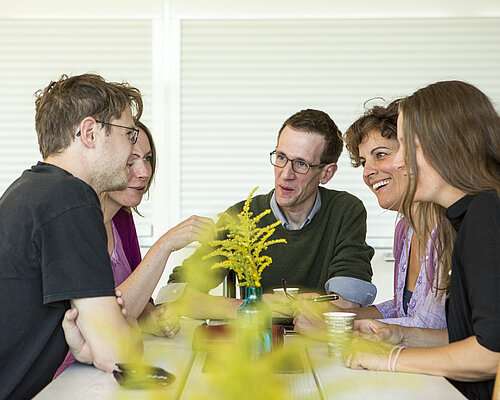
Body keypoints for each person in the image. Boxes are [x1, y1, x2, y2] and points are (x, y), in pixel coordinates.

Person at [343, 80, 500, 400]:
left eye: (408, 146)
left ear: (449, 143)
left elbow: (491, 353)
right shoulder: (471, 216)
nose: (400, 162)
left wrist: (387, 359)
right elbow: (470, 336)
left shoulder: (487, 212)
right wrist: (398, 334)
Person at [0, 73, 144, 399]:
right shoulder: (71, 199)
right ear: (90, 133)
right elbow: (118, 353)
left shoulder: (34, 191)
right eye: (129, 133)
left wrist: (89, 347)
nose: (133, 148)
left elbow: (98, 346)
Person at [160, 109, 376, 322]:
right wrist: (254, 307)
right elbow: (175, 294)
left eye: (301, 164)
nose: (286, 174)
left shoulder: (345, 211)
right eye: (281, 157)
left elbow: (347, 306)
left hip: (319, 345)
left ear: (326, 173)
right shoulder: (241, 218)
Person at [54, 121, 214, 377]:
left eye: (148, 159)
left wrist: (153, 316)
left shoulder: (122, 220)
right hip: (70, 376)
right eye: (131, 161)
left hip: (111, 369)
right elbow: (107, 319)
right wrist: (165, 245)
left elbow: (138, 302)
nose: (144, 172)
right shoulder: (77, 224)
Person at [294, 99, 446, 334]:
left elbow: (430, 326)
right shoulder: (405, 230)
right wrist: (336, 314)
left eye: (381, 155)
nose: (368, 171)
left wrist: (337, 326)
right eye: (364, 161)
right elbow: (400, 310)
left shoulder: (450, 228)